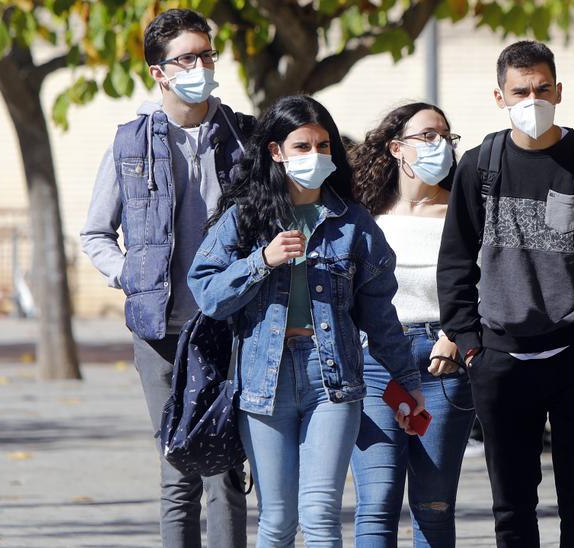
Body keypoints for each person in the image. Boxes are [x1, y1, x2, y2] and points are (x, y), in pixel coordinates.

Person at [188, 95, 425, 548]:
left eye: (322, 146)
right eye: (302, 146)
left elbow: (380, 313)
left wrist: (407, 380)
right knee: (277, 522)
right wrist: (262, 260)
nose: (314, 156)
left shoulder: (353, 224)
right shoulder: (246, 218)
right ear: (276, 151)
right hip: (264, 380)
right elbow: (207, 292)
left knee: (319, 516)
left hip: (331, 378)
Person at [436, 40, 574, 547]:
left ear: (559, 90)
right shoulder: (479, 166)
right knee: (512, 506)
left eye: (542, 88)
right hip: (500, 358)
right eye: (520, 91)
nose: (533, 100)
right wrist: (470, 342)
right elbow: (456, 259)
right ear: (499, 97)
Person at [78, 9, 253, 547]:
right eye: (187, 58)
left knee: (226, 472)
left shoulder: (244, 138)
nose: (200, 66)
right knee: (178, 471)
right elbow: (95, 235)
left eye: (206, 55)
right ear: (159, 71)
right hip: (160, 330)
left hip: (232, 327)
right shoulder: (131, 143)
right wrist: (131, 278)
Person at [347, 102, 476, 547]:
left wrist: (456, 335)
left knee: (434, 504)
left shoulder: (464, 210)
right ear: (396, 147)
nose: (440, 144)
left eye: (446, 136)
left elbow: (485, 280)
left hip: (444, 364)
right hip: (377, 361)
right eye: (427, 136)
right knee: (378, 498)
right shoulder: (364, 214)